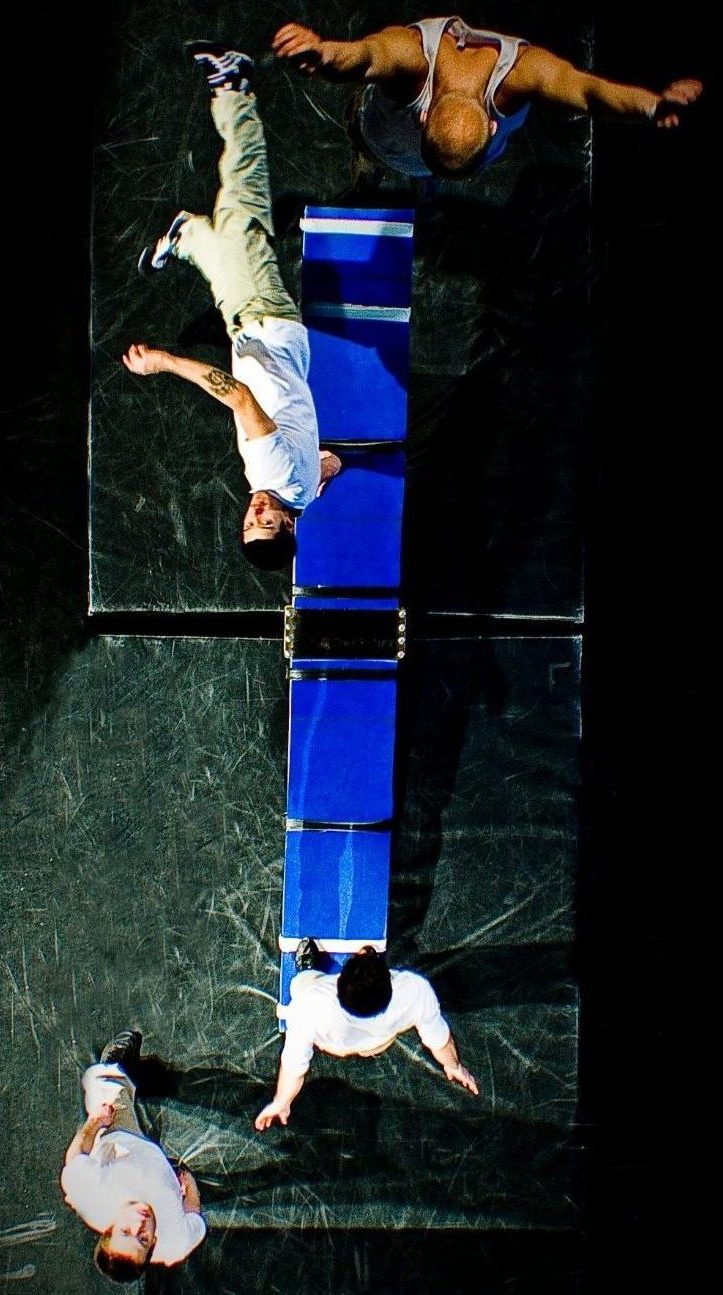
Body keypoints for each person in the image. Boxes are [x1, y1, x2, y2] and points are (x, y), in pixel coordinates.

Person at [123, 42, 341, 571]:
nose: (256, 511)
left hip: (265, 335)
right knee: (243, 198)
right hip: (263, 319)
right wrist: (164, 361)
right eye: (266, 521)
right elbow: (239, 397)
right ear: (287, 525)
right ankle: (234, 85)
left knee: (224, 245)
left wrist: (323, 466)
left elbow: (331, 462)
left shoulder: (302, 495)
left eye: (249, 521)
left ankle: (188, 236)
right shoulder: (271, 473)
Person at [271, 16, 703, 181]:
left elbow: (591, 93)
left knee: (418, 167)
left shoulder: (524, 72)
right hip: (385, 136)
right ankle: (370, 158)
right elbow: (365, 56)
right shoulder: (414, 58)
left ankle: (407, 169)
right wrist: (325, 53)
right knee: (369, 142)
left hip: (412, 143)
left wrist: (652, 105)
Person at [255, 941, 479, 1130]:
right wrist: (454, 1066)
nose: (362, 952)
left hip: (335, 1045)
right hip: (378, 1042)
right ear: (389, 985)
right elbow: (440, 1041)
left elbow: (294, 1068)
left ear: (338, 982)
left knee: (301, 983)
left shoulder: (310, 1004)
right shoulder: (415, 990)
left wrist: (282, 1101)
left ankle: (308, 969)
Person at [60, 1030, 205, 1282]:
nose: (140, 1225)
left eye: (126, 1231)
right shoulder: (176, 1243)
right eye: (144, 1239)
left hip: (121, 1142)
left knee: (105, 1086)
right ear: (154, 1243)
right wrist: (191, 1189)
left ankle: (113, 1066)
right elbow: (193, 1216)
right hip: (160, 1171)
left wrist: (95, 1122)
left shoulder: (92, 1192)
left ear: (110, 1227)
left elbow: (75, 1155)